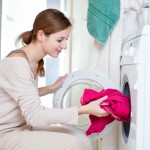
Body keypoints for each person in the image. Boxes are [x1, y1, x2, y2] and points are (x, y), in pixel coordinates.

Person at [0, 8, 108, 150]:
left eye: (66, 39)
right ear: (41, 35)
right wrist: (83, 109)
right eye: (60, 40)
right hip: (5, 133)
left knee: (82, 140)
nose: (64, 46)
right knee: (73, 144)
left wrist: (50, 88)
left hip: (22, 126)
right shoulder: (17, 63)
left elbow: (22, 94)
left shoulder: (33, 60)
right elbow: (36, 116)